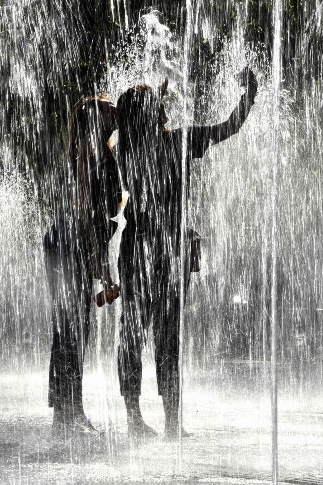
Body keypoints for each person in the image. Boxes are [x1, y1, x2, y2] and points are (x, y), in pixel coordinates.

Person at [115, 68, 258, 439]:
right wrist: (249, 95)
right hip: (167, 249)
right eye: (158, 106)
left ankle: (135, 419)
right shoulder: (176, 142)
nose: (165, 109)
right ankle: (172, 423)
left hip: (138, 248)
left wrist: (147, 99)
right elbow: (228, 127)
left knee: (133, 334)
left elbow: (117, 131)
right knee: (167, 335)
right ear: (149, 114)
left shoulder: (124, 152)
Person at [44, 95, 123, 435]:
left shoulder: (95, 153)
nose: (115, 115)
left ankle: (66, 411)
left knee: (71, 329)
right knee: (72, 329)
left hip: (67, 244)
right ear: (97, 118)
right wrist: (102, 269)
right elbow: (86, 216)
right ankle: (69, 412)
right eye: (109, 111)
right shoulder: (89, 155)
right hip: (67, 246)